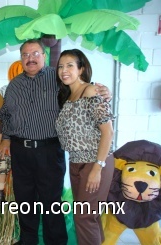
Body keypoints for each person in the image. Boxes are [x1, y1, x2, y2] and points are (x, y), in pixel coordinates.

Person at [0, 39, 111, 245]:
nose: (31, 58)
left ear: (44, 55)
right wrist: (5, 139)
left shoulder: (57, 79)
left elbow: (81, 91)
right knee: (24, 200)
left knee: (51, 202)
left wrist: (103, 90)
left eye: (35, 53)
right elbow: (6, 115)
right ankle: (27, 240)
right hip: (21, 151)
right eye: (26, 55)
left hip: (49, 150)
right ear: (21, 58)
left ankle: (55, 241)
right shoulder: (13, 86)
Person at [55, 49, 114, 244]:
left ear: (81, 69)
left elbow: (108, 132)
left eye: (70, 65)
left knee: (84, 217)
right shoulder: (67, 97)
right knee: (90, 217)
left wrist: (98, 167)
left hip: (94, 162)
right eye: (61, 66)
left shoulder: (90, 90)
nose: (64, 70)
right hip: (75, 162)